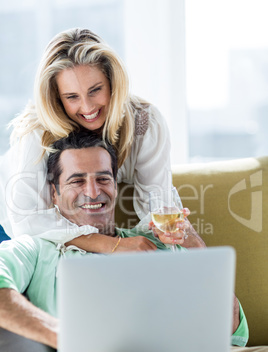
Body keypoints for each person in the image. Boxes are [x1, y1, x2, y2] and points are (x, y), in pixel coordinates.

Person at [0, 131, 267, 352]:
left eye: (103, 179)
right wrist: (61, 334)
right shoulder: (38, 249)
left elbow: (229, 328)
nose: (92, 191)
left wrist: (195, 246)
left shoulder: (156, 239)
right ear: (55, 195)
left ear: (115, 186)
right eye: (77, 180)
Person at [0, 27, 204, 253]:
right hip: (11, 226)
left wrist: (169, 229)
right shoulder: (38, 130)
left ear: (112, 84)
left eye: (95, 90)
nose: (87, 108)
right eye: (72, 97)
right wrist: (113, 245)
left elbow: (156, 202)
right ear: (58, 98)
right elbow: (27, 221)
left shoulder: (145, 122)